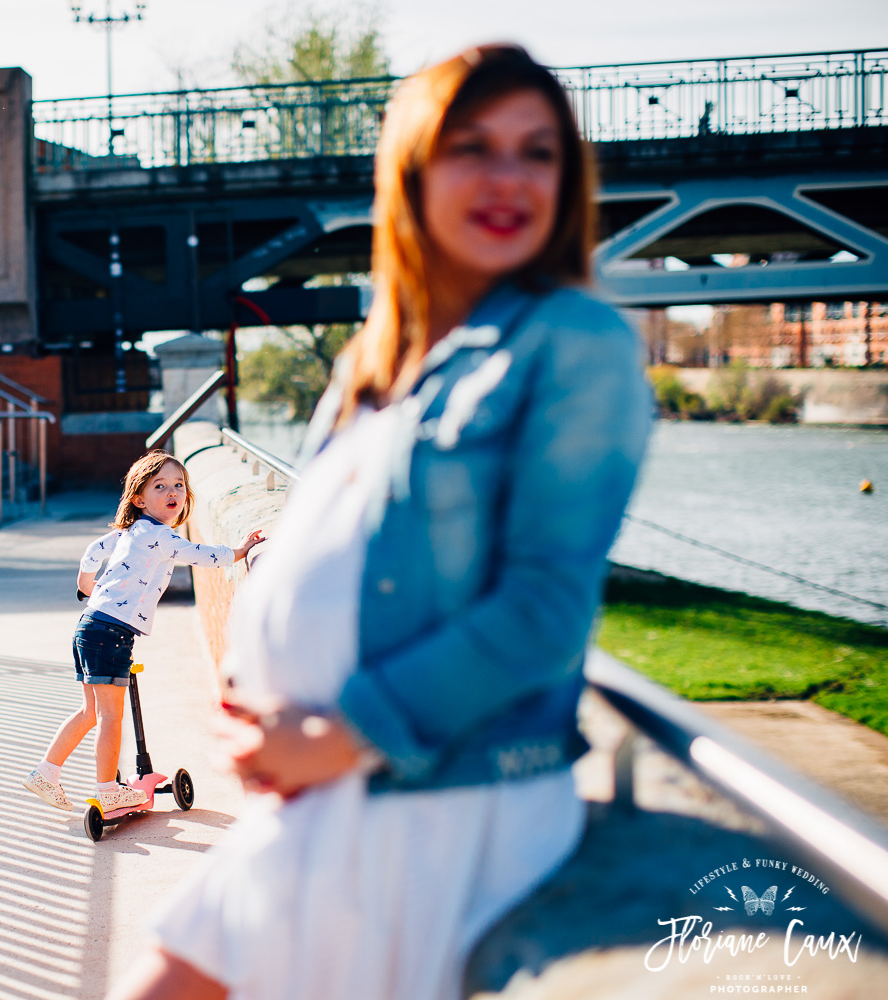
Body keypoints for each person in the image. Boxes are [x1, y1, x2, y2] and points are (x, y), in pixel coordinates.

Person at [111, 44, 653, 1000]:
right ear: (413, 172)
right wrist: (259, 687)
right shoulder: (382, 357)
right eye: (472, 146)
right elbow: (311, 543)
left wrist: (340, 732)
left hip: (441, 804)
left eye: (538, 152)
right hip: (332, 794)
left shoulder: (576, 345)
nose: (506, 176)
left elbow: (543, 608)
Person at [22, 450, 265, 815]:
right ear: (138, 498)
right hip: (110, 633)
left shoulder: (128, 532)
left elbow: (92, 551)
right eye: (160, 486)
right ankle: (107, 790)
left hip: (90, 625)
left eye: (179, 485)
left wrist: (86, 586)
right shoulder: (160, 535)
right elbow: (200, 553)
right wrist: (241, 550)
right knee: (110, 717)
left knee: (90, 712)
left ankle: (46, 772)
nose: (173, 492)